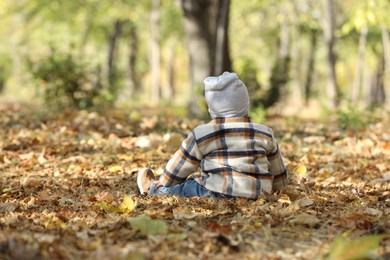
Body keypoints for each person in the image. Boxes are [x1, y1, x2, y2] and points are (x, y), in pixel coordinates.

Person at [137, 72, 287, 199]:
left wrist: (165, 181)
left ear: (211, 109)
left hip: (216, 192)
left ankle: (153, 190)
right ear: (245, 105)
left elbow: (182, 164)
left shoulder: (203, 133)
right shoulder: (264, 132)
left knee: (183, 190)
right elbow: (277, 169)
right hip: (257, 194)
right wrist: (279, 190)